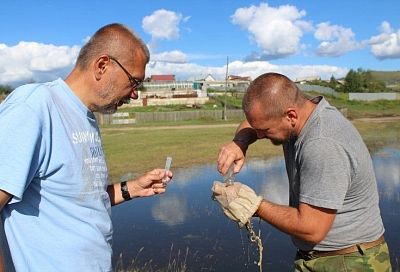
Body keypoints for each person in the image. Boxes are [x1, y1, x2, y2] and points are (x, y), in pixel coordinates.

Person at [0, 23, 172, 271]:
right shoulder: (35, 106)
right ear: (102, 65)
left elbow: (79, 200)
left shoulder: (85, 116)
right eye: (134, 81)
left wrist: (132, 188)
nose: (134, 94)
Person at [213, 72, 392, 271]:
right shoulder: (301, 113)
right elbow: (253, 123)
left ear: (291, 115)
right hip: (322, 257)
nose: (260, 135)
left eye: (265, 130)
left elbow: (311, 229)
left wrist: (252, 204)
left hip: (349, 262)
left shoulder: (322, 144)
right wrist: (240, 142)